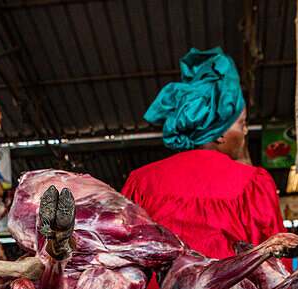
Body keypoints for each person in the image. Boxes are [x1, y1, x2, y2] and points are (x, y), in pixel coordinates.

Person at [122, 48, 287, 266]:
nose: (245, 131)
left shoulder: (141, 182)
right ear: (219, 132)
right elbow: (276, 259)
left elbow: (122, 254)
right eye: (242, 123)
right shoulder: (253, 183)